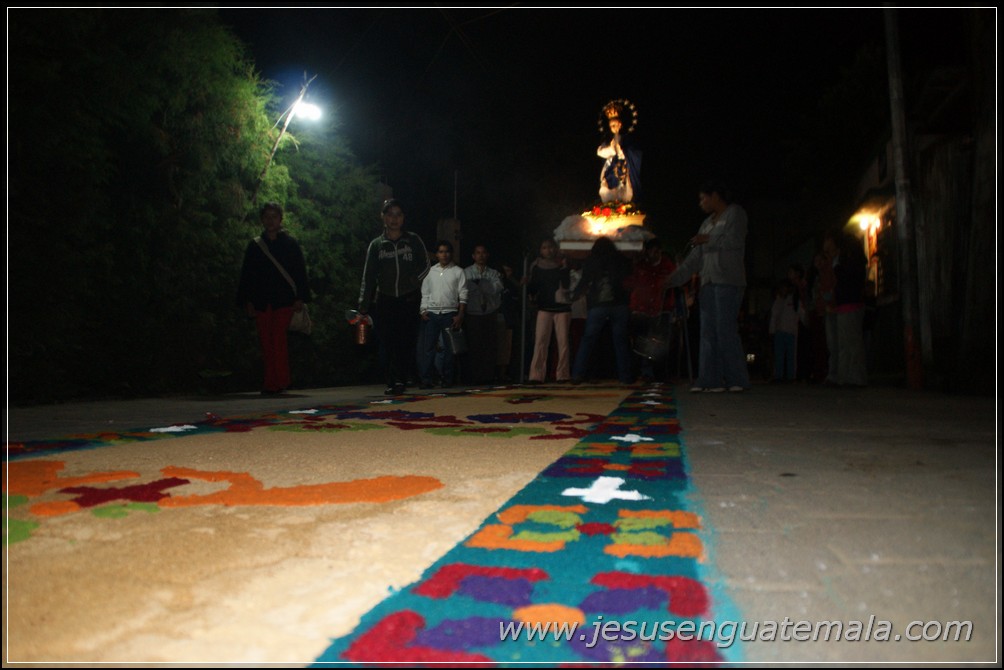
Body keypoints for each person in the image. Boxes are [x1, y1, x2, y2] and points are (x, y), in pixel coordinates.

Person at [667, 181, 751, 393]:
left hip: (728, 281)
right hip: (708, 283)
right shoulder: (706, 223)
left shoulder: (735, 214)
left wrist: (708, 239)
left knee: (725, 330)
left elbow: (734, 241)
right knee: (707, 332)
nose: (701, 203)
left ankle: (737, 379)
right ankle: (709, 380)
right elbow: (694, 259)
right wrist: (673, 279)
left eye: (703, 198)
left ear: (715, 196)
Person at [236, 202, 311, 395]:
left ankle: (281, 381)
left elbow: (299, 272)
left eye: (274, 216)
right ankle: (271, 383)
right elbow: (247, 275)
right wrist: (247, 301)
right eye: (267, 217)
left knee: (278, 338)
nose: (270, 220)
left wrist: (300, 297)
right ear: (262, 220)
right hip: (261, 300)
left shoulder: (290, 244)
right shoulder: (255, 246)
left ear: (280, 219)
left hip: (284, 300)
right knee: (266, 341)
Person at [358, 199, 430, 395]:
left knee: (405, 341)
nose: (394, 219)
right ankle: (391, 380)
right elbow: (368, 276)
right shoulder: (376, 245)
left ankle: (400, 379)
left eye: (398, 214)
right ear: (383, 217)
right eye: (390, 214)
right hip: (385, 299)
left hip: (408, 299)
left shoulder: (413, 240)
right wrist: (363, 305)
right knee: (387, 342)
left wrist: (414, 282)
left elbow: (425, 265)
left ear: (403, 218)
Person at [570, 236, 635, 385]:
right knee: (621, 341)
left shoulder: (592, 260)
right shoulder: (620, 259)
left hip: (598, 305)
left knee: (588, 340)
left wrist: (574, 296)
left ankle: (578, 374)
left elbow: (584, 281)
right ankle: (625, 376)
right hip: (619, 304)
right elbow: (629, 280)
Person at [626, 237, 677, 383]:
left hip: (662, 310)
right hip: (642, 310)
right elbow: (631, 283)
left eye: (654, 251)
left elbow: (674, 284)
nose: (651, 254)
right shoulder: (641, 265)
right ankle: (641, 373)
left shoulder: (668, 266)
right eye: (648, 251)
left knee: (659, 344)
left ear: (659, 251)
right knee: (640, 343)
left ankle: (659, 375)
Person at [418, 241, 467, 389]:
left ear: (451, 253)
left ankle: (447, 379)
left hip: (449, 313)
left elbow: (463, 294)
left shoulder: (458, 271)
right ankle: (426, 380)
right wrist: (423, 310)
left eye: (446, 251)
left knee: (449, 349)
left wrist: (460, 314)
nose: (444, 255)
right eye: (441, 252)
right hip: (432, 314)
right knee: (428, 348)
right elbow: (425, 293)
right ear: (437, 254)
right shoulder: (430, 272)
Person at [525, 238, 572, 384]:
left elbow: (568, 284)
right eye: (545, 248)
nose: (548, 250)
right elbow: (533, 288)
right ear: (540, 250)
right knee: (540, 341)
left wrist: (564, 268)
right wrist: (527, 284)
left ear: (556, 248)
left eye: (551, 247)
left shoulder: (562, 264)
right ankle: (536, 375)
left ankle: (563, 375)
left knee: (563, 343)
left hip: (562, 307)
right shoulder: (536, 265)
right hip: (544, 307)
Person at [463, 243, 505, 384]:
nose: (481, 256)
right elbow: (464, 291)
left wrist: (482, 284)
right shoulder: (466, 273)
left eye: (483, 252)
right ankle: (474, 376)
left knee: (489, 346)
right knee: (474, 346)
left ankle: (488, 376)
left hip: (489, 313)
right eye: (478, 253)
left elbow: (496, 289)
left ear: (487, 255)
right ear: (473, 256)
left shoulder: (493, 273)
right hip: (473, 313)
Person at [597, 100, 642, 204]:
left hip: (625, 168)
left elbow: (635, 152)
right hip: (612, 170)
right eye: (611, 126)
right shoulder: (608, 140)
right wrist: (612, 149)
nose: (613, 128)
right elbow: (600, 152)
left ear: (620, 124)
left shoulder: (627, 139)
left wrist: (622, 150)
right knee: (609, 189)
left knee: (625, 188)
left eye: (614, 125)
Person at [769, 278, 804, 382]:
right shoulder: (778, 300)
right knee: (779, 355)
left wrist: (805, 321)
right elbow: (774, 316)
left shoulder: (794, 300)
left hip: (791, 331)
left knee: (791, 355)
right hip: (779, 331)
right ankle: (778, 375)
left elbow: (801, 313)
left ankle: (791, 376)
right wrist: (772, 330)